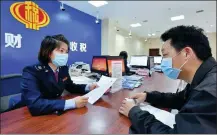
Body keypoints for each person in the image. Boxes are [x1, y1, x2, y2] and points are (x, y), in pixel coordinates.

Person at [119, 25, 216, 133]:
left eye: (165, 55)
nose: (162, 61)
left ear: (186, 53)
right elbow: (181, 99)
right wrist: (148, 96)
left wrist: (134, 112)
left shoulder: (208, 93)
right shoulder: (203, 80)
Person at [21, 34, 98, 116]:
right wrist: (72, 103)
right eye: (61, 51)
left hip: (54, 112)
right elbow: (35, 104)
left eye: (66, 52)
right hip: (31, 115)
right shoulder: (32, 71)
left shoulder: (63, 68)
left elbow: (71, 86)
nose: (65, 55)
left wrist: (88, 87)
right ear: (48, 52)